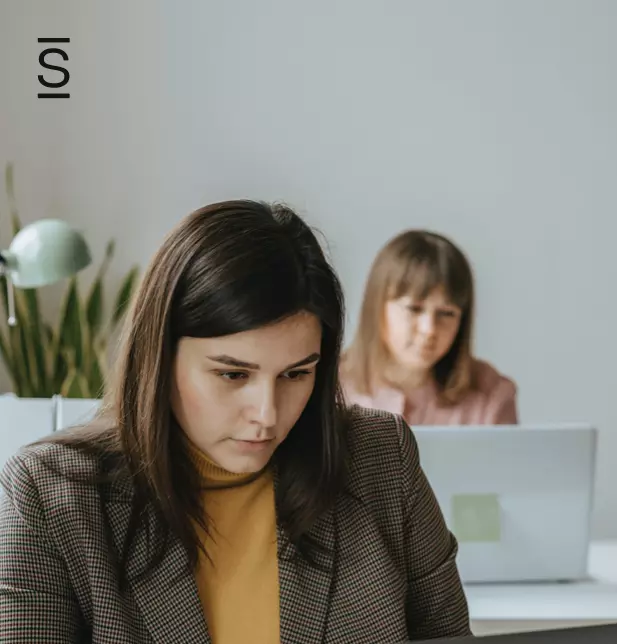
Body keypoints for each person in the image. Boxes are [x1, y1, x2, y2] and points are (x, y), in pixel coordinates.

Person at [0, 201, 471, 643]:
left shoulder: (381, 458)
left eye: (295, 374)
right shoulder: (50, 495)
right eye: (232, 373)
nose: (267, 415)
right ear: (160, 356)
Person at [341, 229, 518, 426]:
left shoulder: (491, 394)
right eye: (414, 309)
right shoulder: (328, 387)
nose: (429, 329)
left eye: (446, 313)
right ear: (377, 306)